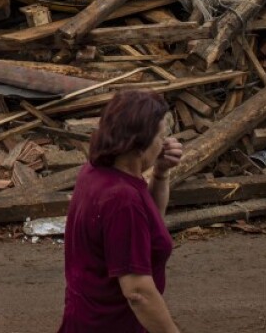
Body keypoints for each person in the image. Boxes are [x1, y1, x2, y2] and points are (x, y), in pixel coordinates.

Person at [58, 89, 184, 333]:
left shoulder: (95, 172)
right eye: (161, 137)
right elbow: (138, 292)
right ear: (140, 145)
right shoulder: (122, 200)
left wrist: (161, 173)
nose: (165, 144)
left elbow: (149, 226)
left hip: (85, 318)